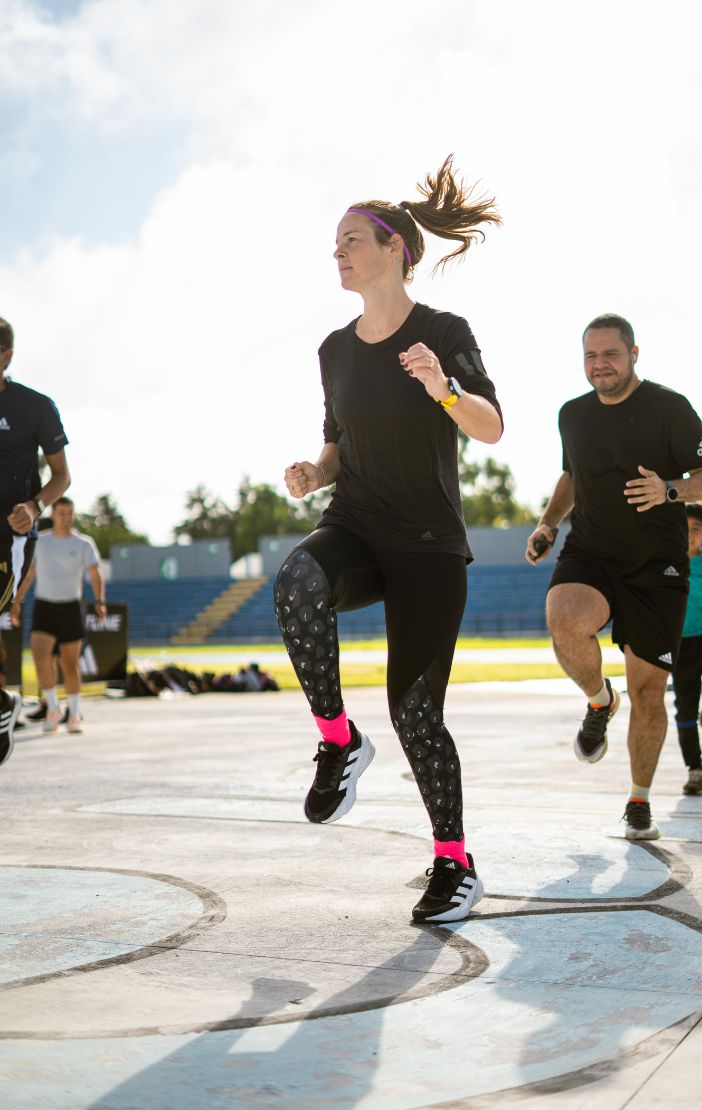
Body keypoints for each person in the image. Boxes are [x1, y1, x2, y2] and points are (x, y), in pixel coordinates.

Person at [274, 156, 503, 923]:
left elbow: (490, 427)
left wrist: (443, 387)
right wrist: (317, 471)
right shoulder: (333, 350)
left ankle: (455, 863)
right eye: (335, 242)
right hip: (357, 524)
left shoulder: (443, 332)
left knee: (415, 712)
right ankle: (338, 741)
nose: (337, 252)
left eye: (351, 239)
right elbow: (338, 441)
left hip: (429, 547)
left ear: (395, 248)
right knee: (296, 583)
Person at [526, 314, 702, 839]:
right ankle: (599, 700)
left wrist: (670, 490)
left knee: (649, 691)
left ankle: (639, 800)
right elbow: (572, 476)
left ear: (634, 354)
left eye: (610, 354)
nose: (600, 365)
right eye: (590, 356)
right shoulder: (573, 415)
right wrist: (548, 524)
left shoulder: (671, 408)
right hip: (591, 551)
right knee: (564, 618)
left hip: (658, 566)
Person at [0, 317, 70, 765]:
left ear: (5, 356)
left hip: (9, 535)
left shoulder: (35, 406)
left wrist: (35, 506)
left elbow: (62, 475)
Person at [11, 497, 105, 733]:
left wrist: (100, 601)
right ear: (53, 514)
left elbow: (95, 574)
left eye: (69, 513)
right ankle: (53, 708)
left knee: (69, 663)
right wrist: (17, 601)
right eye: (61, 513)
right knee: (40, 658)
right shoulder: (40, 541)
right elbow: (29, 574)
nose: (66, 517)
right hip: (44, 607)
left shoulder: (83, 543)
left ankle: (74, 714)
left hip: (70, 608)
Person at [671, 502, 702, 796]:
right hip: (681, 644)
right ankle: (695, 770)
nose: (689, 534)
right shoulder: (665, 564)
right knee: (685, 710)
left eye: (696, 529)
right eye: (684, 528)